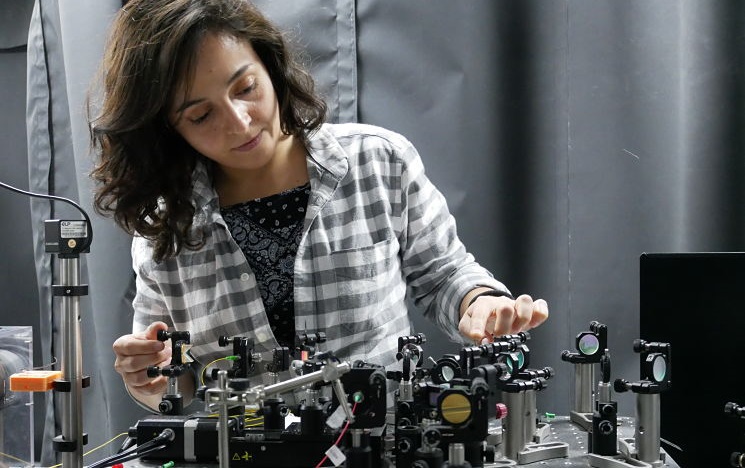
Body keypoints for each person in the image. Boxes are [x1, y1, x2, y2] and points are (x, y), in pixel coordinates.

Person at [89, 0, 549, 412]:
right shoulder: (165, 225)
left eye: (246, 87)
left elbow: (444, 276)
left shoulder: (377, 161)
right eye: (201, 115)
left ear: (270, 67)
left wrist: (481, 305)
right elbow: (174, 381)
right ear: (170, 129)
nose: (239, 121)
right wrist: (149, 375)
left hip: (379, 447)